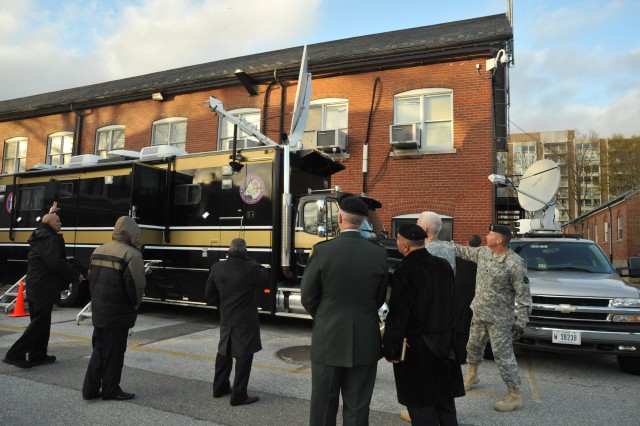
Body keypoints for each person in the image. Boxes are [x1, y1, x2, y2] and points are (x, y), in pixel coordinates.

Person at [301, 196, 388, 426]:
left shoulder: (322, 251)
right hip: (365, 339)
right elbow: (379, 299)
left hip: (328, 338)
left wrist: (325, 318)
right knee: (358, 406)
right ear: (362, 221)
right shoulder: (378, 253)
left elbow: (308, 297)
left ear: (339, 218)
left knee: (323, 404)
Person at [451, 224, 531, 412]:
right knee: (473, 346)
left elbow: (524, 295)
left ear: (499, 240)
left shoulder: (514, 263)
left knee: (503, 356)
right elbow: (463, 251)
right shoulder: (484, 253)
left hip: (500, 319)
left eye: (490, 234)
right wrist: (440, 243)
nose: (486, 236)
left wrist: (521, 321)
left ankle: (514, 394)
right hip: (479, 312)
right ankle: (472, 375)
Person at [3, 202, 82, 369]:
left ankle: (38, 355)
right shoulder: (50, 239)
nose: (60, 223)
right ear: (49, 224)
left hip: (36, 285)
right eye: (57, 221)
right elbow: (56, 263)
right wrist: (75, 275)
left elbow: (43, 224)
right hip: (43, 287)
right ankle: (14, 354)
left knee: (42, 322)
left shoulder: (40, 233)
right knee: (39, 323)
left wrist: (50, 212)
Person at [82, 216, 146, 401]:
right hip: (118, 311)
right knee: (115, 353)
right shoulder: (132, 254)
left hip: (100, 308)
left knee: (99, 349)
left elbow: (91, 278)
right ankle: (111, 389)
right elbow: (136, 285)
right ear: (132, 233)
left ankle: (90, 389)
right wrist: (135, 304)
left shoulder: (98, 249)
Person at [205, 238, 268, 406]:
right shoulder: (252, 268)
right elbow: (265, 277)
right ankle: (239, 395)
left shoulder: (217, 267)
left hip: (226, 317)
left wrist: (222, 306)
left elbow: (209, 295)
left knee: (224, 353)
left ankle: (219, 388)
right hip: (246, 319)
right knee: (244, 356)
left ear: (229, 250)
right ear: (244, 251)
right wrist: (250, 260)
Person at [453, 234, 482, 364]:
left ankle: (460, 355)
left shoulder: (460, 257)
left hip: (459, 295)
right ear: (480, 244)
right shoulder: (482, 258)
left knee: (460, 327)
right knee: (475, 329)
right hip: (476, 296)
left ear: (467, 242)